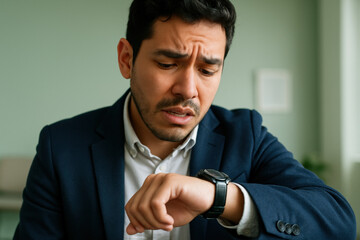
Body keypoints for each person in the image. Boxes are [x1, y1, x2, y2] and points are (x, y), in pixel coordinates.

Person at [14, 0, 356, 239]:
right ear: (126, 59)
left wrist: (217, 198)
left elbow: (338, 222)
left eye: (208, 69)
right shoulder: (61, 147)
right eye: (167, 64)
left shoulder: (245, 136)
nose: (188, 90)